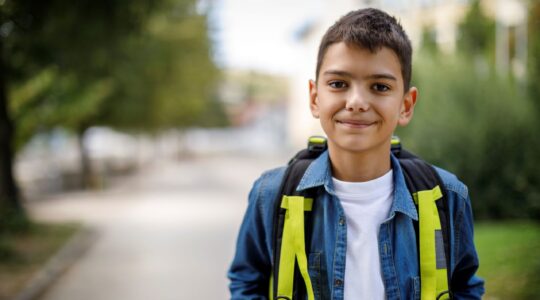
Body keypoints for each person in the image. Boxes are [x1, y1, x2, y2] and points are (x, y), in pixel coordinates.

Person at [228, 8, 484, 300]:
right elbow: (247, 283)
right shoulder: (271, 194)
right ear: (315, 98)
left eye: (379, 86)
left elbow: (465, 286)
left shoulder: (447, 195)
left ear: (406, 104)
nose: (357, 102)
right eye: (338, 84)